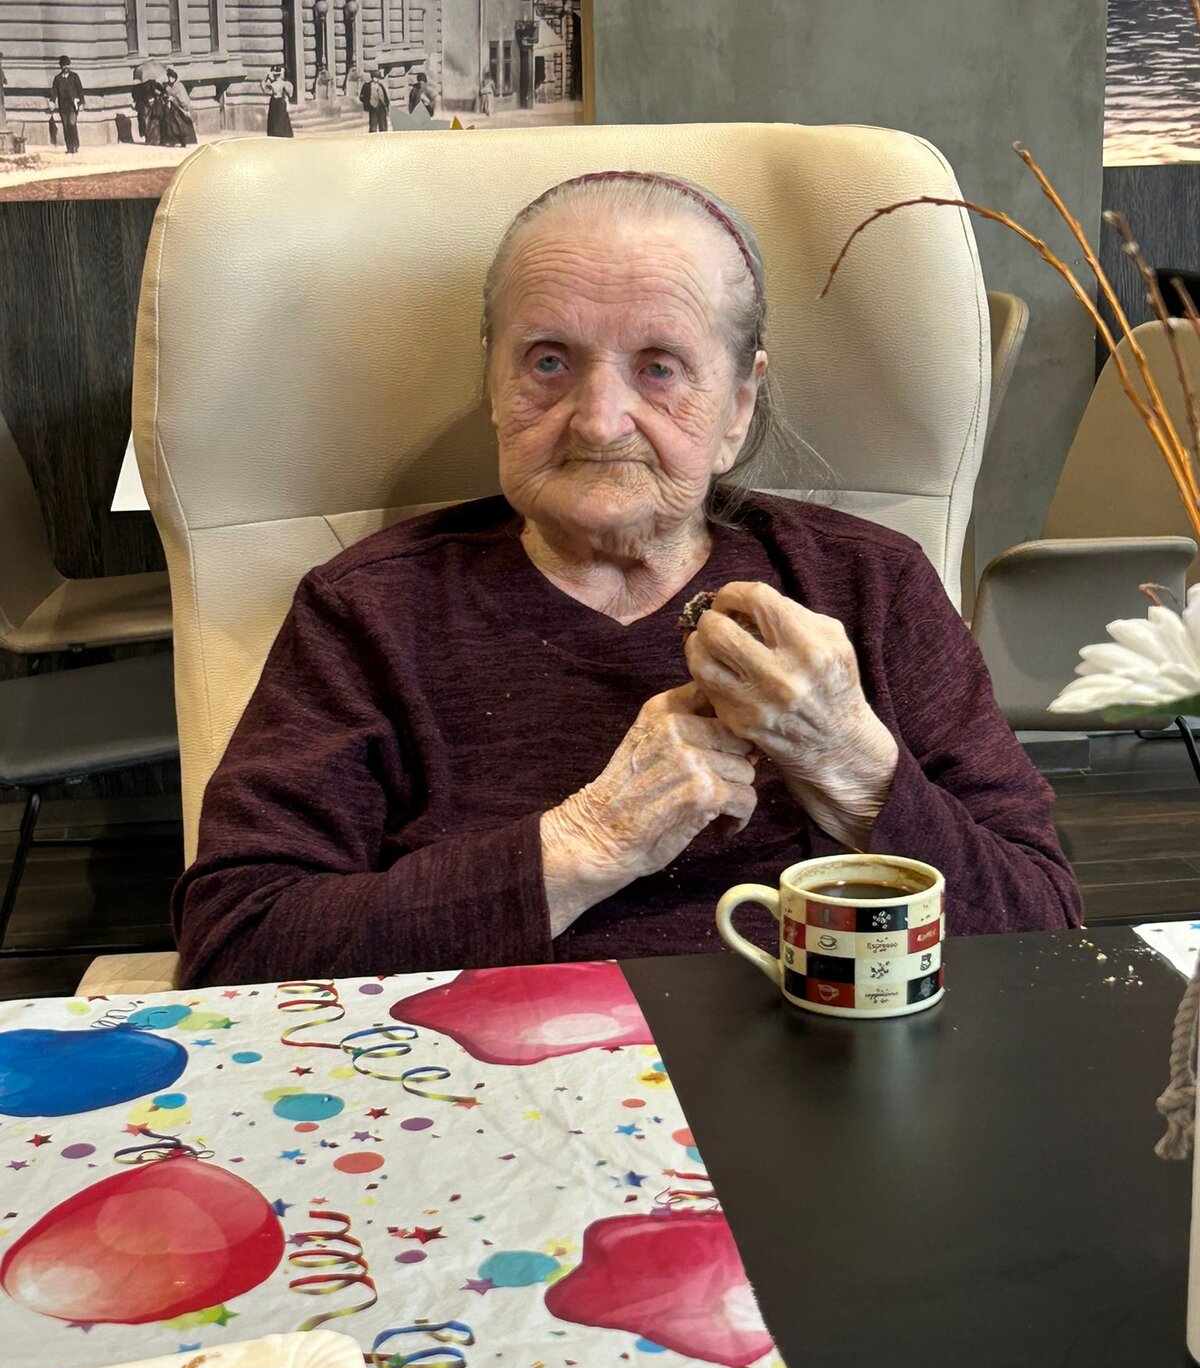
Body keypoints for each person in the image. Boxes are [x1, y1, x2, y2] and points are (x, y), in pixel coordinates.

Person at [174, 171, 1083, 985]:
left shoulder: (869, 587)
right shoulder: (369, 611)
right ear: (493, 384)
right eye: (548, 361)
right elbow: (235, 944)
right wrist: (589, 840)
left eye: (659, 368)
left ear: (738, 405)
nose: (599, 420)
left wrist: (853, 767)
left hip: (823, 1073)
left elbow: (1045, 923)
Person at [50, 56, 84, 155]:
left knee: (72, 124)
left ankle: (75, 144)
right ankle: (69, 147)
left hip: (73, 106)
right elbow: (54, 91)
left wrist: (82, 102)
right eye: (64, 65)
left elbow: (80, 90)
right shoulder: (57, 79)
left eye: (67, 65)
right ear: (61, 66)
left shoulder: (74, 77)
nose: (66, 67)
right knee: (65, 126)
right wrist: (52, 101)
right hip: (63, 107)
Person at [162, 68, 197, 147]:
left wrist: (174, 99)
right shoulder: (167, 87)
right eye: (169, 77)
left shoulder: (179, 86)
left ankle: (184, 141)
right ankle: (173, 141)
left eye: (172, 77)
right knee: (172, 125)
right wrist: (166, 97)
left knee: (181, 125)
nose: (170, 79)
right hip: (172, 109)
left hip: (180, 109)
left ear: (175, 78)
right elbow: (165, 95)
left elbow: (183, 98)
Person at [262, 66, 294, 138]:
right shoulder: (285, 83)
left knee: (275, 118)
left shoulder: (273, 84)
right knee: (282, 118)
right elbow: (290, 94)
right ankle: (283, 133)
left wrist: (267, 78)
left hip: (274, 102)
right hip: (281, 102)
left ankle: (275, 133)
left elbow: (264, 89)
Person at [360, 67, 389, 133]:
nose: (378, 79)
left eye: (378, 78)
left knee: (383, 125)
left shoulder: (381, 86)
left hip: (381, 107)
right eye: (377, 78)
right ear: (373, 78)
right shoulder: (367, 86)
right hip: (373, 107)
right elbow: (362, 97)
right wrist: (368, 103)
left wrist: (386, 105)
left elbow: (385, 96)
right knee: (373, 125)